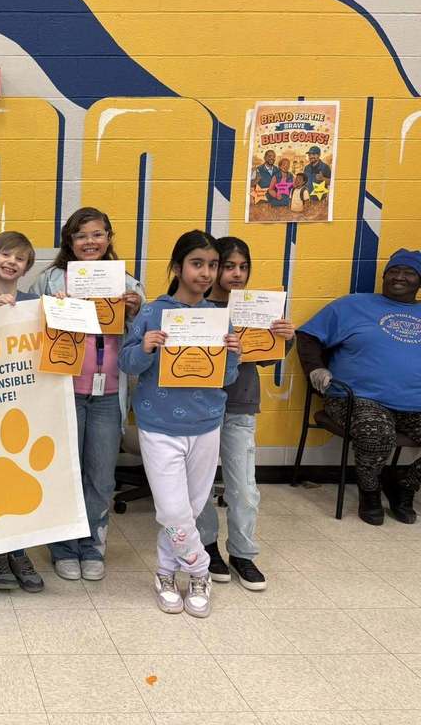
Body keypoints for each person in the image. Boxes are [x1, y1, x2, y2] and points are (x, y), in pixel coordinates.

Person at [119, 230, 241, 618]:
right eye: (196, 264)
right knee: (172, 510)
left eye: (212, 265)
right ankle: (201, 570)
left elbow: (228, 377)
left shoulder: (220, 318)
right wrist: (145, 347)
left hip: (206, 422)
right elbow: (127, 364)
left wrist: (234, 354)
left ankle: (166, 573)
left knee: (189, 507)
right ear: (176, 267)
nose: (206, 273)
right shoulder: (153, 312)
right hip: (158, 424)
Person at [32, 208, 145, 582]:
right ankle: (63, 545)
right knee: (65, 472)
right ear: (70, 241)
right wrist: (52, 309)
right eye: (81, 236)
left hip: (109, 394)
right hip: (64, 391)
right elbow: (28, 331)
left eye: (98, 234)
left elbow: (144, 337)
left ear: (110, 237)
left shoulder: (129, 284)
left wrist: (134, 311)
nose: (90, 242)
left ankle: (92, 542)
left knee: (100, 474)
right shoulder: (50, 280)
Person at [196, 237, 296, 591]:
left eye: (243, 267)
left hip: (239, 404)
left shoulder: (257, 308)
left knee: (244, 487)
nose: (236, 273)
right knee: (202, 485)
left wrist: (284, 337)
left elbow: (266, 356)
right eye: (228, 266)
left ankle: (242, 552)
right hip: (200, 406)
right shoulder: (197, 305)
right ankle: (206, 545)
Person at [297, 248, 421, 525]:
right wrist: (316, 368)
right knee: (376, 431)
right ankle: (370, 491)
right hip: (357, 398)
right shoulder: (352, 305)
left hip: (415, 404)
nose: (399, 277)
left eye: (409, 272)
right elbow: (307, 336)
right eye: (393, 272)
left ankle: (406, 486)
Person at [0, 231, 45, 593]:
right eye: (5, 254)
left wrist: (62, 310)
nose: (11, 262)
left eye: (20, 258)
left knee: (20, 480)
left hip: (25, 406)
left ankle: (18, 551)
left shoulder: (37, 304)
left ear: (27, 267)